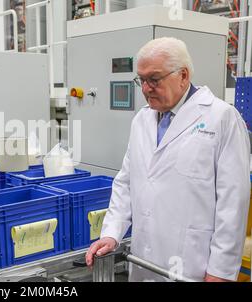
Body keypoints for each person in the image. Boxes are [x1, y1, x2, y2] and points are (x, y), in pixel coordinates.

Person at [86, 37, 251, 282]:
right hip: (144, 259)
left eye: (154, 79)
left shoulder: (222, 118)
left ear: (183, 75)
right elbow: (125, 183)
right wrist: (112, 233)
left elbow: (232, 203)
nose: (145, 88)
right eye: (141, 80)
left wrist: (221, 271)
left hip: (193, 263)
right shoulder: (142, 120)